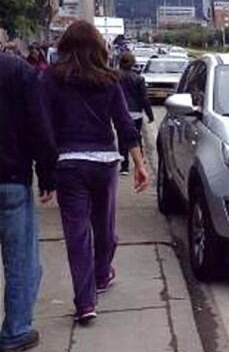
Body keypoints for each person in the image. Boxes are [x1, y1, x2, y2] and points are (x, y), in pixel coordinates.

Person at [42, 20, 150, 325]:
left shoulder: (51, 80)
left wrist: (46, 171)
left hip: (68, 164)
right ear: (99, 47)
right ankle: (102, 273)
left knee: (77, 234)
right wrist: (139, 163)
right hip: (104, 162)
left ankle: (85, 301)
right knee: (104, 227)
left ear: (65, 46)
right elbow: (124, 125)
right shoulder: (109, 80)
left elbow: (44, 127)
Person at [0, 52, 58, 352]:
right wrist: (47, 174)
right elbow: (39, 125)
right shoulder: (17, 70)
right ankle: (15, 331)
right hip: (10, 178)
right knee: (21, 261)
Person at [116, 52, 155, 175]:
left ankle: (124, 166)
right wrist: (150, 114)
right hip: (136, 113)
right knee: (136, 136)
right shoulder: (138, 79)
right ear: (133, 64)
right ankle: (140, 160)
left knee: (122, 138)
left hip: (120, 112)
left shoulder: (115, 78)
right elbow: (144, 98)